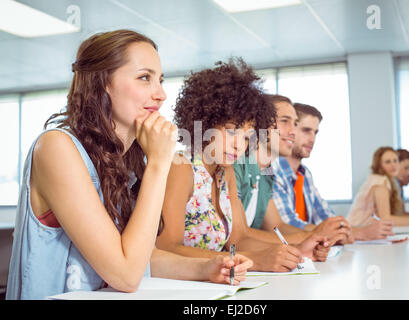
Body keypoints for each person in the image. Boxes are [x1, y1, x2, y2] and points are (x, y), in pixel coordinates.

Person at [6, 30, 251, 300]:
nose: (161, 94)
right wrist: (159, 164)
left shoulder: (129, 159)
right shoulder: (56, 147)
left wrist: (206, 267)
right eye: (145, 78)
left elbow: (141, 258)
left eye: (160, 80)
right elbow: (125, 274)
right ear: (103, 84)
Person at [157, 59, 329, 272]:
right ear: (205, 123)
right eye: (231, 131)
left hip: (217, 284)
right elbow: (167, 247)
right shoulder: (181, 166)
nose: (239, 145)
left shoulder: (225, 172)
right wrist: (255, 260)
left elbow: (239, 238)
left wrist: (295, 250)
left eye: (247, 137)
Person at [233, 95, 350, 254]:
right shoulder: (237, 165)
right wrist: (312, 236)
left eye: (295, 124)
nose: (293, 131)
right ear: (259, 123)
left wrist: (313, 237)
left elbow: (277, 226)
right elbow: (239, 235)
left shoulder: (266, 173)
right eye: (284, 121)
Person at [272, 103, 394, 241]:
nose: (312, 139)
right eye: (306, 130)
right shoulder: (272, 171)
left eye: (315, 132)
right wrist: (357, 232)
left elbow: (326, 217)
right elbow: (286, 225)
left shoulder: (305, 174)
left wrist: (344, 230)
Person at [347, 146, 409, 227]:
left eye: (395, 160)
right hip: (356, 230)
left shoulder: (383, 180)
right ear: (379, 165)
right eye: (388, 162)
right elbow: (386, 219)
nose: (393, 165)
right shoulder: (380, 182)